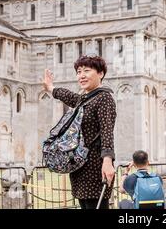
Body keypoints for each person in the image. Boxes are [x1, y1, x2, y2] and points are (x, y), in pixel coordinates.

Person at [42, 55, 116, 209]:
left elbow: (107, 131)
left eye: (87, 71)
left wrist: (107, 162)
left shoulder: (104, 98)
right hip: (79, 165)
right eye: (78, 72)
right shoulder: (85, 99)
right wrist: (51, 88)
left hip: (96, 165)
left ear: (100, 73)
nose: (81, 75)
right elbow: (69, 96)